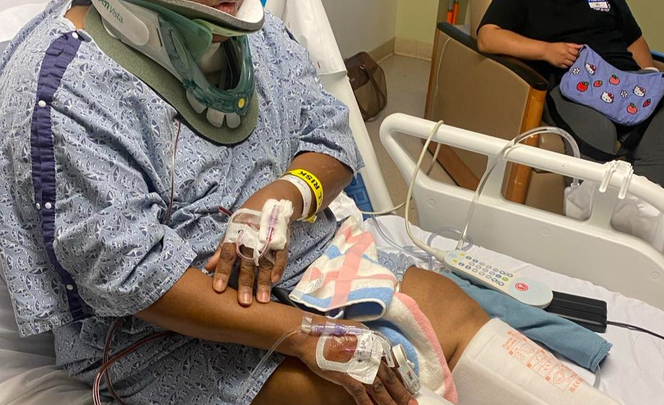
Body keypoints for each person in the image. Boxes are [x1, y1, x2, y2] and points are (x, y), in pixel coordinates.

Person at [0, 0, 492, 404]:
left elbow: (331, 135)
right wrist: (306, 333)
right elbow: (130, 274)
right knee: (351, 396)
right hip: (157, 333)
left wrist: (285, 195)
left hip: (304, 260)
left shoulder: (254, 31)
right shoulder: (62, 88)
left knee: (456, 316)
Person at [476, 0, 664, 190]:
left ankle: (642, 216)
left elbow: (634, 41)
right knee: (597, 131)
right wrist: (546, 50)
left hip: (627, 79)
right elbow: (488, 37)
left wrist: (650, 82)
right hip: (573, 83)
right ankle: (592, 215)